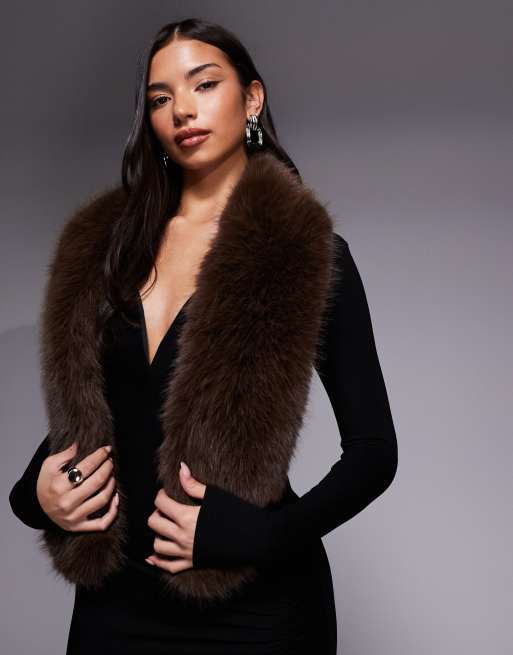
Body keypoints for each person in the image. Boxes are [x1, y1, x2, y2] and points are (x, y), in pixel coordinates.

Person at [8, 17, 398, 655]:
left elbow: (374, 451)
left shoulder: (305, 254)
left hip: (254, 610)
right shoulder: (108, 248)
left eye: (205, 84)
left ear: (252, 98)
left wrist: (265, 536)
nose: (182, 110)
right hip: (115, 603)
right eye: (160, 98)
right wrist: (35, 494)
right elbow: (108, 412)